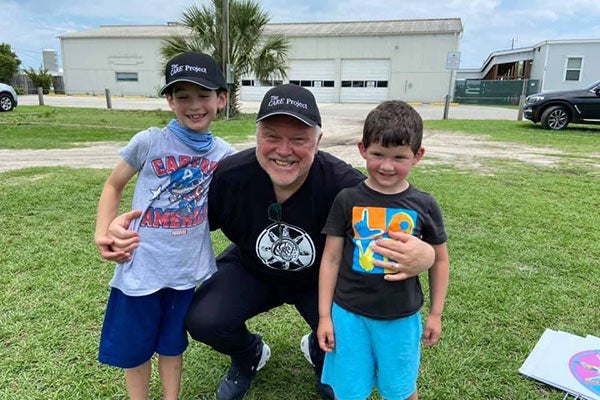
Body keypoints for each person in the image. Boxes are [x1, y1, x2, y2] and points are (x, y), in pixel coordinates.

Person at [100, 84, 436, 400]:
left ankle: (318, 350)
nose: (284, 150)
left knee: (342, 352)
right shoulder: (230, 175)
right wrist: (122, 228)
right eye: (271, 136)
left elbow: (390, 226)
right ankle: (249, 354)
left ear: (318, 140)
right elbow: (184, 221)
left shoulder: (344, 184)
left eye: (299, 139)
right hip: (251, 269)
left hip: (317, 279)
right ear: (257, 135)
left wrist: (425, 256)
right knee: (204, 318)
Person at [93, 51, 236, 400]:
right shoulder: (150, 141)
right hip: (141, 267)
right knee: (136, 348)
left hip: (185, 270)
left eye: (203, 95)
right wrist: (102, 230)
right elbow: (113, 185)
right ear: (170, 100)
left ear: (221, 99)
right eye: (182, 96)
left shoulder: (226, 155)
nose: (194, 105)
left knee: (173, 345)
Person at [317, 100, 450, 400]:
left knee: (401, 390)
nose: (387, 166)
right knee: (348, 391)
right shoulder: (346, 199)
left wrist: (436, 314)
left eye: (399, 157)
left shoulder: (425, 205)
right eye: (377, 154)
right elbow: (331, 258)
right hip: (349, 316)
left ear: (418, 156)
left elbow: (440, 260)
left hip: (401, 318)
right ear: (363, 149)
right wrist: (325, 316)